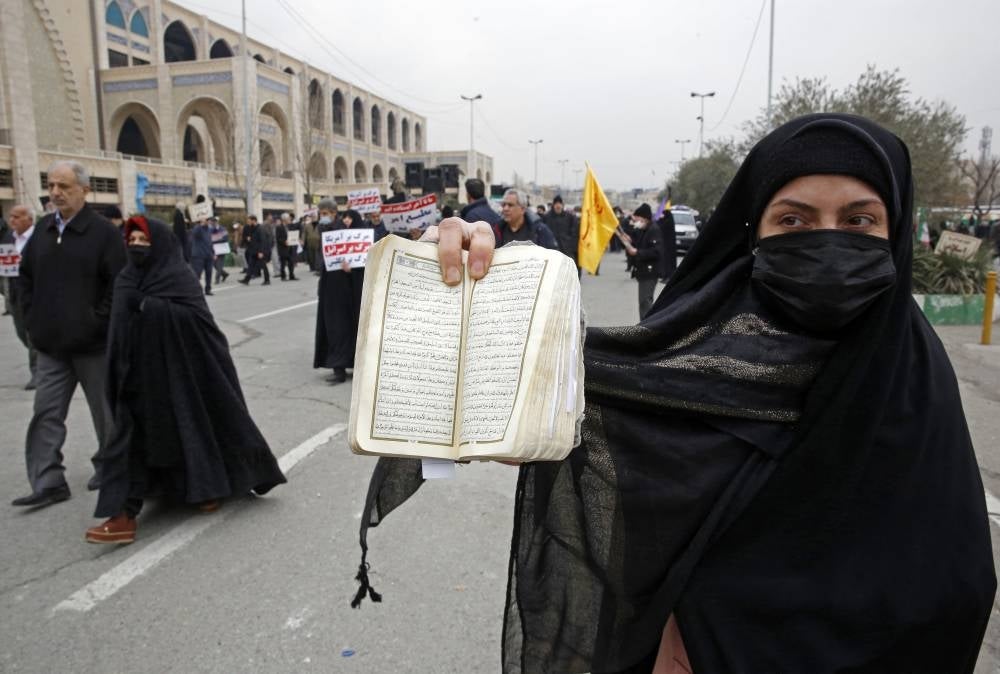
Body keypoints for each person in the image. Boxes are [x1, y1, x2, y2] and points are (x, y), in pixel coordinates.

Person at [354, 114, 996, 673]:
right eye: (794, 219)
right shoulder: (689, 354)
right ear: (754, 233)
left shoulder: (913, 376)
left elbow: (956, 582)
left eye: (858, 220)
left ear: (897, 228)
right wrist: (458, 297)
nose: (824, 241)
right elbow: (546, 408)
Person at [85, 216, 286, 543]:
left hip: (179, 377)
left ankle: (205, 487)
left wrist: (151, 307)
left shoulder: (178, 277)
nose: (136, 245)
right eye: (131, 240)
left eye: (143, 240)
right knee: (128, 439)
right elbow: (118, 329)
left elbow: (198, 324)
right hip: (136, 378)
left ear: (160, 243)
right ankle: (122, 515)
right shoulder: (125, 279)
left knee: (188, 430)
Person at [12, 161, 127, 507]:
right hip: (51, 346)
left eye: (64, 186)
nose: (56, 193)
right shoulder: (44, 231)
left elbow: (118, 284)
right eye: (52, 186)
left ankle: (110, 467)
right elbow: (26, 280)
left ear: (84, 190)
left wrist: (97, 322)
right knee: (45, 412)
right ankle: (48, 481)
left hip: (93, 345)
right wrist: (33, 322)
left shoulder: (104, 234)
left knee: (105, 414)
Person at [314, 204, 381, 384]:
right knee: (333, 329)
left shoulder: (360, 238)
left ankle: (344, 368)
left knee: (348, 329)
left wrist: (353, 270)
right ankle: (338, 367)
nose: (346, 220)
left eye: (349, 218)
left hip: (350, 294)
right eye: (344, 217)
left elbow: (368, 266)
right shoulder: (331, 234)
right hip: (332, 292)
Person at [4, 204, 38, 389]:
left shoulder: (38, 237)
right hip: (16, 293)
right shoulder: (8, 239)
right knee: (20, 331)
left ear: (29, 219)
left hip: (34, 293)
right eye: (11, 217)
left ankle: (37, 372)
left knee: (32, 334)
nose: (13, 220)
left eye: (17, 217)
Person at [618, 202, 663, 317]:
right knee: (643, 302)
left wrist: (637, 252)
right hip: (643, 271)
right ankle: (645, 326)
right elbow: (639, 243)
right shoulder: (644, 230)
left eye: (638, 219)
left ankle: (647, 329)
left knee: (645, 302)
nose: (636, 222)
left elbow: (656, 252)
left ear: (645, 218)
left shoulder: (654, 230)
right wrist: (629, 241)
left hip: (650, 272)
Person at [543, 194, 581, 270]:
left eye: (559, 204)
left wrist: (570, 244)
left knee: (569, 270)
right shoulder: (546, 217)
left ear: (562, 205)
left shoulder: (570, 217)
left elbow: (575, 232)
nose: (558, 206)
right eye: (556, 204)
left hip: (567, 250)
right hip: (551, 250)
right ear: (553, 205)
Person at [238, 215, 271, 285]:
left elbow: (262, 241)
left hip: (259, 251)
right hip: (253, 251)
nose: (248, 223)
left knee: (263, 265)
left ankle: (267, 280)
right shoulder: (252, 228)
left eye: (249, 221)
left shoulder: (260, 228)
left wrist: (261, 252)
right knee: (251, 265)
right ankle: (246, 280)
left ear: (254, 221)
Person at [189, 217, 215, 295]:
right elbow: (194, 233)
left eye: (208, 220)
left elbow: (210, 242)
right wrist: (200, 224)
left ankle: (208, 289)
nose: (208, 222)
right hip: (198, 255)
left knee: (209, 273)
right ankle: (195, 290)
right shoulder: (198, 229)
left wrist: (213, 253)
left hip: (208, 255)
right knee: (197, 274)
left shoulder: (209, 230)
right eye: (207, 220)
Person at [276, 212, 299, 281]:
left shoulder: (290, 226)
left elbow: (293, 234)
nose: (290, 219)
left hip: (290, 247)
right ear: (284, 219)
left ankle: (291, 275)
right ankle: (283, 276)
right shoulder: (279, 227)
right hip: (283, 248)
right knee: (283, 263)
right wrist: (284, 242)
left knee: (291, 262)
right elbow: (278, 238)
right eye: (288, 218)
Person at [656, 206, 677, 280]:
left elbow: (660, 226)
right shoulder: (666, 220)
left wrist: (658, 217)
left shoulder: (668, 221)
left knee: (668, 262)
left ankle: (668, 277)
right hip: (665, 244)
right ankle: (664, 275)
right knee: (664, 261)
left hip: (669, 246)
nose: (662, 215)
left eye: (664, 214)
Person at [210, 218, 230, 284]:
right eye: (211, 222)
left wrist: (215, 239)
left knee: (219, 264)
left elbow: (225, 238)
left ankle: (217, 279)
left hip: (221, 249)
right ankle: (224, 274)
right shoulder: (210, 229)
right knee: (214, 264)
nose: (211, 224)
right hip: (213, 249)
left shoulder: (222, 229)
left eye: (212, 222)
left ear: (216, 222)